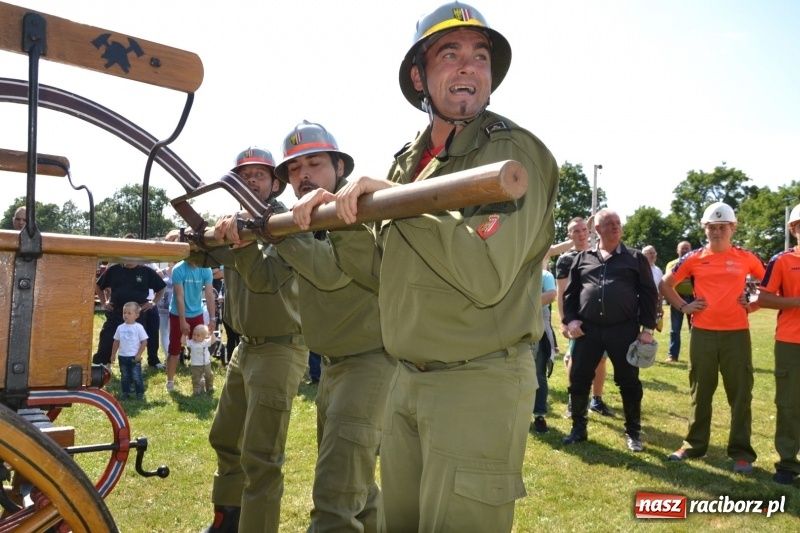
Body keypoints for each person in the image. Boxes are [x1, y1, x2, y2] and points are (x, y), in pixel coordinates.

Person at [302, 4, 559, 530]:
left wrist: (401, 201)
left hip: (477, 381)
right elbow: (385, 275)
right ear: (419, 75)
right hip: (406, 378)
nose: (468, 67)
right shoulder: (410, 162)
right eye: (450, 54)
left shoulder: (513, 153)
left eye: (479, 56)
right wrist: (343, 221)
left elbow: (486, 276)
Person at [219, 121, 396, 532]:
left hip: (370, 362)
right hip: (334, 366)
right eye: (294, 169)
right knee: (359, 490)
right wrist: (247, 245)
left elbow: (332, 274)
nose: (303, 176)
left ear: (339, 166)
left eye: (314, 164)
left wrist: (279, 234)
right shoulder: (304, 221)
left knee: (335, 502)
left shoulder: (359, 208)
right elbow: (266, 280)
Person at [195, 147, 306, 533]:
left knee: (261, 457)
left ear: (276, 183)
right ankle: (228, 519)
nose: (251, 181)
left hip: (280, 347)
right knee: (225, 438)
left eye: (260, 175)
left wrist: (237, 241)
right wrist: (194, 237)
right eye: (244, 175)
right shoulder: (235, 223)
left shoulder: (286, 223)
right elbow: (201, 257)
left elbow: (263, 279)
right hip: (246, 347)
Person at [660, 202, 765, 473]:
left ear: (733, 228)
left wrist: (751, 300)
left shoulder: (746, 257)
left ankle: (741, 453)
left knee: (740, 394)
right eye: (712, 227)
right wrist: (684, 306)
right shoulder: (693, 258)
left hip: (737, 334)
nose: (717, 232)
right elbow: (665, 284)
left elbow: (767, 284)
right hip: (703, 334)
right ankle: (694, 445)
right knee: (700, 391)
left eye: (722, 227)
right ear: (705, 229)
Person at [562, 209, 658, 452]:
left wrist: (648, 329)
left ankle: (633, 433)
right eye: (609, 224)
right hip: (588, 330)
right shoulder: (582, 259)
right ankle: (578, 429)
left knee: (629, 382)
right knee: (579, 380)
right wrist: (570, 321)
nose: (615, 227)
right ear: (597, 230)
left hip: (624, 330)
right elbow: (570, 295)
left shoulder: (635, 258)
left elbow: (649, 295)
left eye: (618, 223)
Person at [758, 203, 800, 485]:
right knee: (788, 404)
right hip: (790, 343)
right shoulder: (781, 261)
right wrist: (794, 303)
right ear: (793, 229)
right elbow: (761, 297)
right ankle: (787, 464)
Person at [556, 217, 615, 418]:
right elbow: (561, 292)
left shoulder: (598, 254)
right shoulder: (565, 259)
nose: (581, 234)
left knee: (601, 360)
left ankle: (596, 400)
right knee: (576, 359)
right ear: (569, 235)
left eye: (584, 230)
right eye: (576, 231)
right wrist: (565, 322)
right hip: (577, 319)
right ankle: (574, 402)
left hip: (600, 317)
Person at [93, 259, 166, 367]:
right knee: (107, 338)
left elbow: (161, 288)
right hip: (116, 312)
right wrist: (104, 302)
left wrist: (153, 302)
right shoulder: (114, 270)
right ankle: (103, 365)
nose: (128, 258)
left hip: (137, 315)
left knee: (134, 341)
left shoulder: (146, 271)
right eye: (125, 256)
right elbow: (99, 286)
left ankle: (134, 366)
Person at [166, 259, 215, 391]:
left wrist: (213, 318)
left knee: (200, 345)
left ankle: (202, 379)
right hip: (177, 314)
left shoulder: (206, 269)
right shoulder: (178, 269)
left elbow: (209, 295)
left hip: (197, 312)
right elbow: (179, 296)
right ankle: (170, 381)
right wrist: (182, 320)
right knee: (175, 349)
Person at [533, 260, 557, 434]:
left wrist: (524, 303)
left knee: (538, 374)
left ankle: (539, 416)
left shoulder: (545, 275)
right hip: (514, 329)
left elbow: (551, 294)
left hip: (539, 328)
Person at [110, 301, 148, 401]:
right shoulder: (120, 328)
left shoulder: (138, 327)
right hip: (122, 356)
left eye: (129, 313)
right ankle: (125, 392)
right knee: (124, 376)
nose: (126, 315)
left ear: (136, 315)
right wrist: (113, 354)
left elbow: (144, 342)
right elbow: (116, 341)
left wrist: (139, 354)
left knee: (136, 376)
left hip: (134, 357)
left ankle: (140, 393)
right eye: (124, 313)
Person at [664, 240, 693, 362]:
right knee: (675, 329)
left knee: (696, 329)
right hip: (677, 297)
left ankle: (696, 355)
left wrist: (680, 278)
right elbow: (670, 282)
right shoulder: (671, 264)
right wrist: (687, 278)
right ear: (677, 250)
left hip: (694, 298)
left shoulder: (696, 263)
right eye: (682, 248)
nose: (685, 250)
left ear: (691, 250)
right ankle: (673, 355)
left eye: (687, 248)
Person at [184, 323, 215, 396]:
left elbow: (213, 340)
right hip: (196, 365)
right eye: (194, 334)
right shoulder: (191, 342)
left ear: (204, 337)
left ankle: (209, 387)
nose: (195, 336)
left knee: (209, 375)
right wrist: (184, 335)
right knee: (196, 378)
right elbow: (183, 342)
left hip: (206, 364)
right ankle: (197, 390)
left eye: (198, 335)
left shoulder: (206, 342)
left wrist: (211, 333)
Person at [642, 245, 664, 333]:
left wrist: (660, 307)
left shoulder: (658, 270)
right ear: (643, 255)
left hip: (652, 305)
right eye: (650, 253)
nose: (653, 255)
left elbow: (660, 290)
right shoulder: (637, 268)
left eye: (654, 253)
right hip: (637, 305)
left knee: (648, 332)